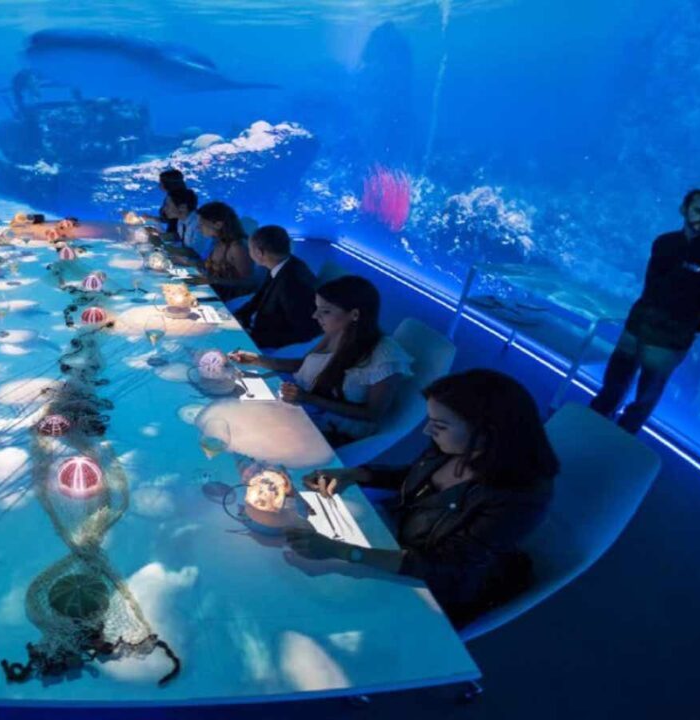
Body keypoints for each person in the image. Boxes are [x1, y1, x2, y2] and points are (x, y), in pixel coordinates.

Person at [284, 369, 558, 627]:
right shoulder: (455, 447)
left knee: (309, 605)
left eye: (440, 425)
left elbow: (447, 569)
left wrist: (343, 551)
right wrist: (355, 474)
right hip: (392, 540)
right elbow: (416, 476)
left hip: (429, 591)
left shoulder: (518, 496)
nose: (427, 431)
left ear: (485, 433)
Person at [230, 275, 412, 445]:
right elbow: (305, 364)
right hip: (305, 404)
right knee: (235, 404)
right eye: (317, 308)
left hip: (333, 429)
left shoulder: (385, 358)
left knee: (245, 430)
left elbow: (372, 413)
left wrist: (308, 398)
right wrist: (258, 360)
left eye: (325, 311)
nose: (315, 316)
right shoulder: (337, 331)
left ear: (354, 315)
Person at [590, 189, 700, 433]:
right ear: (685, 209)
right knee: (613, 383)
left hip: (671, 339)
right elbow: (652, 284)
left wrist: (691, 324)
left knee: (645, 397)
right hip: (637, 326)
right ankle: (593, 422)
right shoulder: (665, 242)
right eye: (699, 210)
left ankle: (623, 434)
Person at [233, 225, 322, 350]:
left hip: (268, 343)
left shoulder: (293, 284)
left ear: (259, 253)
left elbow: (303, 332)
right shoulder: (281, 263)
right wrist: (238, 316)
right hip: (258, 325)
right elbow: (260, 296)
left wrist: (253, 337)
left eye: (250, 249)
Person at [197, 201, 256, 299]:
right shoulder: (216, 241)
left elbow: (248, 283)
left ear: (218, 225)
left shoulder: (237, 247)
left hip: (228, 299)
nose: (198, 228)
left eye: (201, 224)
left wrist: (213, 280)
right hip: (212, 291)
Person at [164, 186, 213, 261]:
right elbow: (179, 237)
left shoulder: (200, 224)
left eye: (168, 205)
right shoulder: (181, 220)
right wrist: (160, 236)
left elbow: (194, 253)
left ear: (182, 207)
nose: (165, 209)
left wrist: (163, 246)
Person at [142, 168, 185, 235]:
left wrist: (155, 233)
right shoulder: (173, 196)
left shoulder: (174, 198)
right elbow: (168, 219)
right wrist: (150, 218)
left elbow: (175, 236)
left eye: (161, 182)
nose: (159, 185)